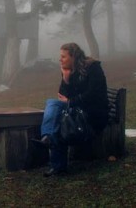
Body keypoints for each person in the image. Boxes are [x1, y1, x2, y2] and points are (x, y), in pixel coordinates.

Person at [33, 42, 109, 177]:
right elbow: (62, 95)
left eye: (63, 57)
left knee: (56, 116)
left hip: (93, 114)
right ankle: (48, 139)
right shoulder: (69, 71)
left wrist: (71, 101)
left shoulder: (93, 68)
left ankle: (56, 160)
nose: (60, 59)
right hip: (76, 110)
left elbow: (94, 93)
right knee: (53, 105)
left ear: (73, 57)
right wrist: (66, 79)